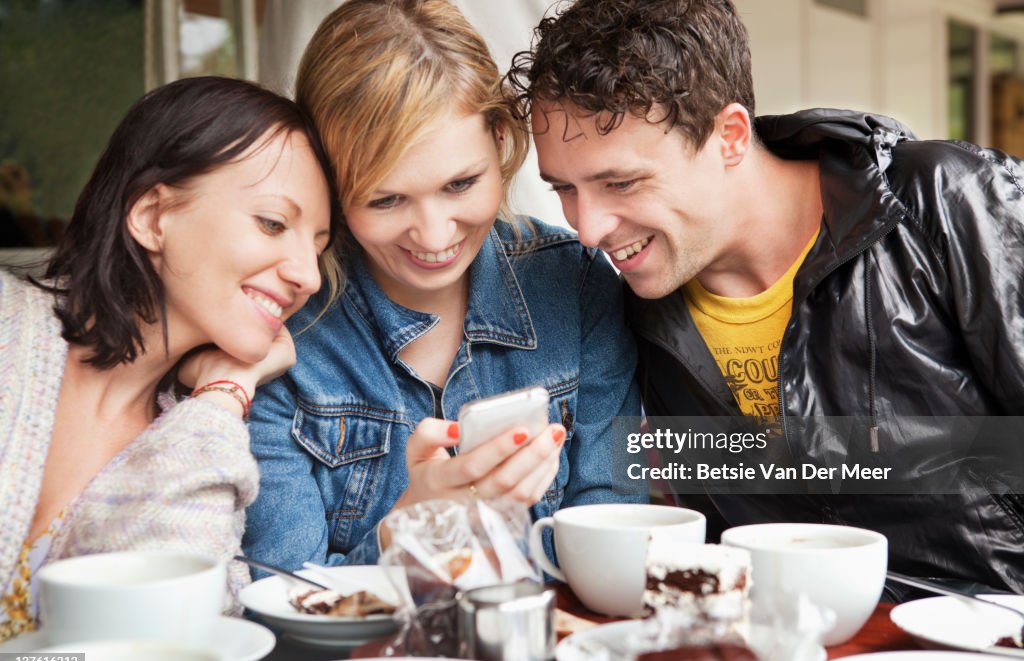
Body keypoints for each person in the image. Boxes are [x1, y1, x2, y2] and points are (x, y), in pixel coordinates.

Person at [509, 0, 1024, 595]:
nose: (589, 228)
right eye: (565, 189)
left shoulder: (945, 200)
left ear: (729, 137)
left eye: (620, 183)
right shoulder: (624, 298)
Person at [243, 0, 645, 573]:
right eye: (385, 199)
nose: (434, 236)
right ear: (329, 185)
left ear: (501, 140)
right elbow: (280, 596)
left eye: (460, 183)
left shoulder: (576, 283)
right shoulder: (284, 335)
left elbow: (613, 526)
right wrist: (406, 534)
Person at [0, 76, 338, 641]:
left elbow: (158, 650)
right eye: (273, 223)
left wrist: (221, 398)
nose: (306, 274)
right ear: (153, 216)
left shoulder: (203, 428)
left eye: (318, 246)